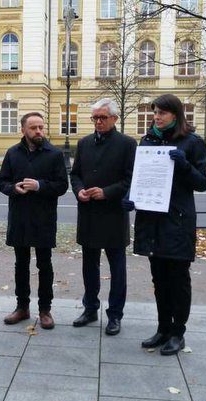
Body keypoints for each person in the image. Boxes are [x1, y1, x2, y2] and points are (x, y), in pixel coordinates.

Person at [122, 93, 206, 355]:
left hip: (178, 221)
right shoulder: (147, 140)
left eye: (161, 113)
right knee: (159, 278)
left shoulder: (192, 142)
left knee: (178, 279)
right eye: (155, 112)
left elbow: (203, 183)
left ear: (176, 114)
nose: (156, 117)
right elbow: (141, 178)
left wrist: (184, 166)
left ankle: (177, 332)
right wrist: (132, 199)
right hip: (152, 221)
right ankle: (162, 328)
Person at [70, 99, 137, 336]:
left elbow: (130, 180)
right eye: (95, 118)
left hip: (113, 214)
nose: (98, 122)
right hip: (88, 213)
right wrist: (78, 190)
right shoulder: (84, 143)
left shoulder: (127, 144)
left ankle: (115, 314)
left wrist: (106, 192)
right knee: (89, 266)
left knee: (117, 268)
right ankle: (90, 308)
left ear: (114, 119)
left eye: (103, 117)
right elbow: (75, 173)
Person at [0, 112, 68, 329]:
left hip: (44, 218)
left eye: (41, 127)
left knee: (44, 264)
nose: (39, 131)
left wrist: (39, 186)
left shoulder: (54, 154)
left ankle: (45, 310)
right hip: (19, 217)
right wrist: (14, 188)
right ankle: (22, 307)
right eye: (33, 128)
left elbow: (62, 186)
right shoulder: (13, 153)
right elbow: (2, 182)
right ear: (23, 130)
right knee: (21, 265)